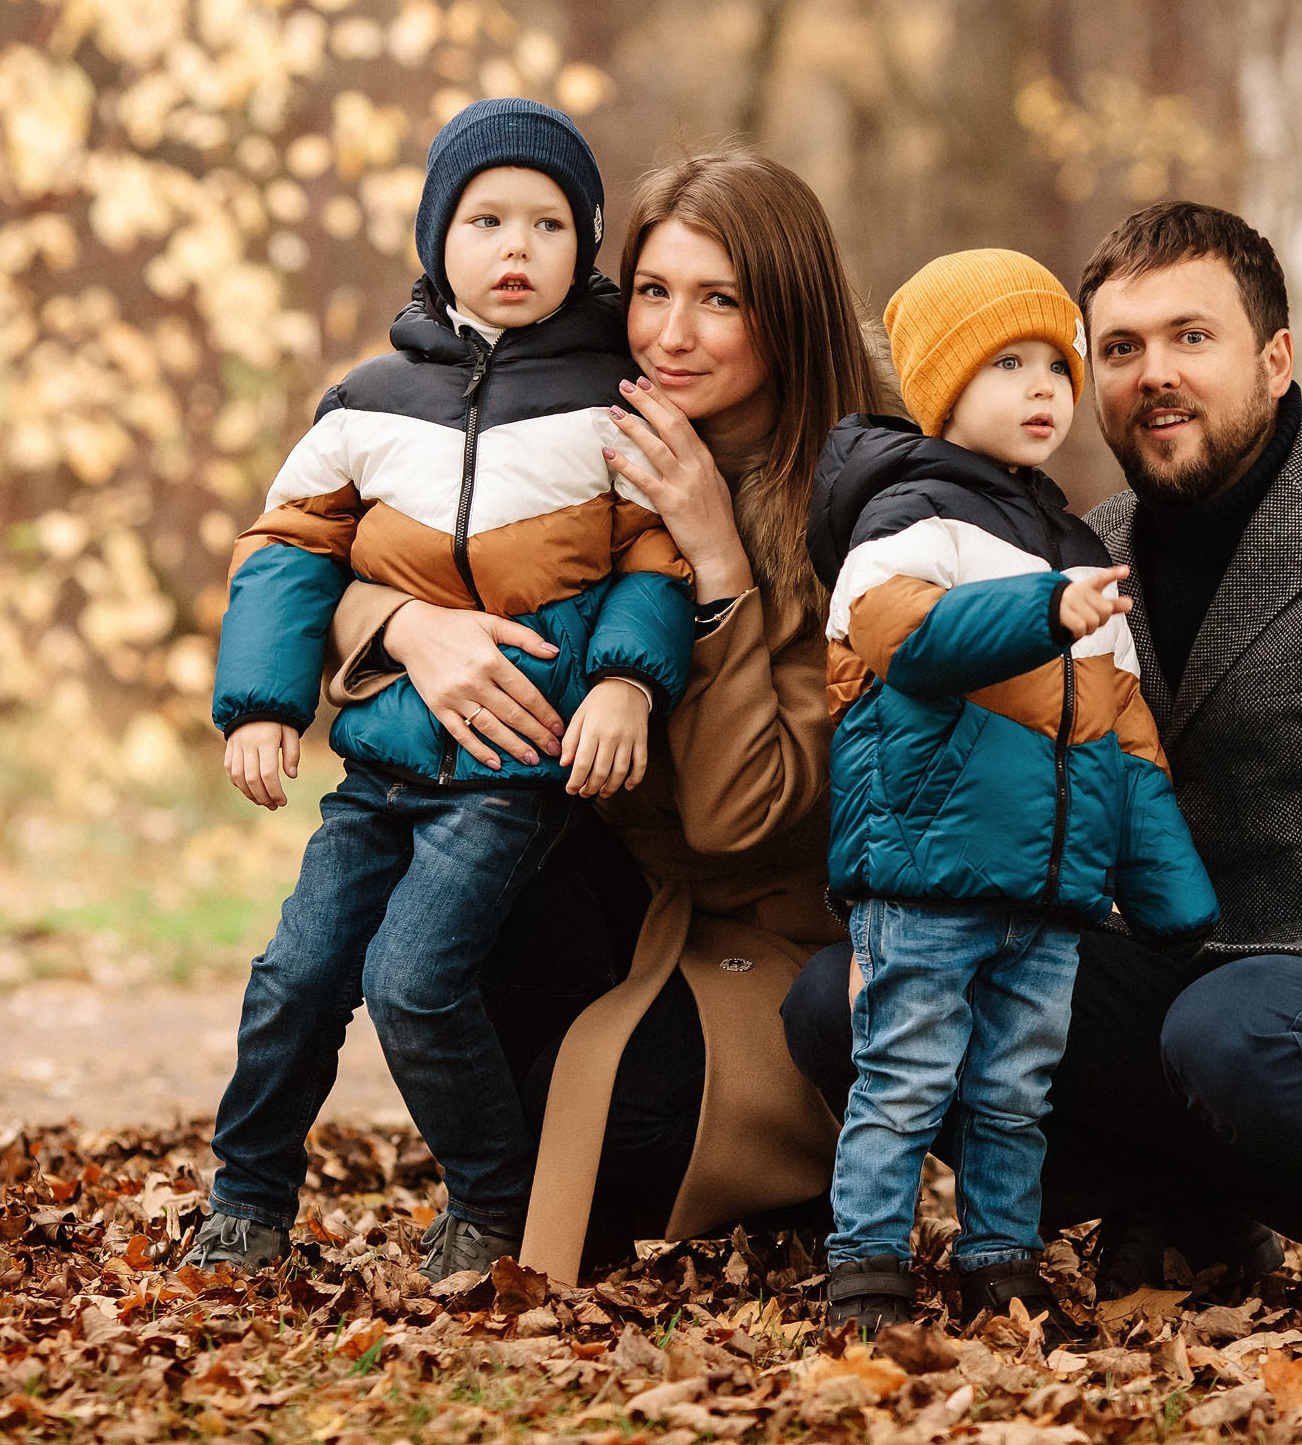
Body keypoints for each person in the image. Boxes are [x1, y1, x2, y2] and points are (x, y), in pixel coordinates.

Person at [785, 201, 1302, 1316]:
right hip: (1161, 969)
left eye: (1191, 338)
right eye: (1118, 348)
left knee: (1236, 1028)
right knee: (838, 998)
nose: (1153, 374)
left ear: (1277, 358)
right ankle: (1188, 1203)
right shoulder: (1067, 554)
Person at [321, 149, 895, 1284]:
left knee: (616, 1138)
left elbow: (746, 821)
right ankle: (511, 1173)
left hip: (785, 941)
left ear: (785, 316)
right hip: (607, 892)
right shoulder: (572, 429)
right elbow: (329, 549)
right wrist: (401, 626)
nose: (672, 334)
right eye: (653, 291)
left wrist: (720, 558)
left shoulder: (868, 502)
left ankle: (787, 1164)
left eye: (719, 300)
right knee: (436, 888)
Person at [188, 100, 697, 1283]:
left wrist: (625, 680)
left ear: (587, 247)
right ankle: (247, 1200)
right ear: (437, 237)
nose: (515, 248)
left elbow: (653, 556)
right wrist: (264, 701)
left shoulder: (612, 403)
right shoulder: (369, 400)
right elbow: (287, 549)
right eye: (485, 220)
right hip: (380, 767)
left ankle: (498, 1207)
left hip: (512, 774)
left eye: (548, 224)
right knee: (295, 977)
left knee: (414, 983)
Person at [809, 250, 1219, 1333]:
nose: (1043, 388)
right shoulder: (904, 518)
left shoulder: (1078, 546)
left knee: (1016, 1090)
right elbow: (912, 640)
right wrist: (1044, 610)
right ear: (944, 387)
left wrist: (1173, 897)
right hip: (929, 875)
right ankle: (867, 1269)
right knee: (902, 1078)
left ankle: (1001, 1261)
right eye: (1006, 365)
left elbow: (1123, 735)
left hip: (1048, 895)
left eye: (1056, 364)